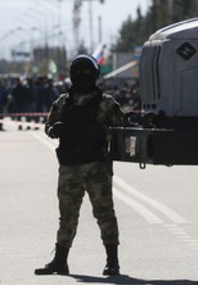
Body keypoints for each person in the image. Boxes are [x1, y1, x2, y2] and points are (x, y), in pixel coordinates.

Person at [35, 54, 123, 277]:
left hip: (95, 167)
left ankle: (112, 261)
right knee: (67, 216)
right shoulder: (63, 102)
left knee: (104, 213)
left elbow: (121, 131)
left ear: (94, 75)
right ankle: (60, 260)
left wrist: (102, 132)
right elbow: (48, 125)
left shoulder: (106, 103)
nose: (82, 76)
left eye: (86, 72)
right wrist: (55, 130)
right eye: (78, 72)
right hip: (69, 167)